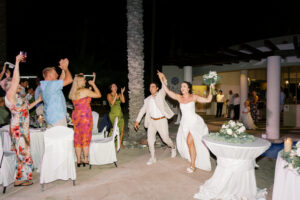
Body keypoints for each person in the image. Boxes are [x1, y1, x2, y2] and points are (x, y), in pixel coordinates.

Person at [157, 70, 213, 173]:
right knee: (190, 144)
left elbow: (208, 99)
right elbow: (168, 91)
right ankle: (194, 161)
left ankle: (192, 165)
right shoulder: (179, 97)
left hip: (194, 123)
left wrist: (211, 88)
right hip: (185, 124)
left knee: (189, 141)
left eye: (184, 86)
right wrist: (161, 79)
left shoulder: (194, 97)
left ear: (188, 88)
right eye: (181, 86)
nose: (181, 88)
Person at [4, 54, 42, 186]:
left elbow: (26, 109)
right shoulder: (10, 96)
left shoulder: (17, 97)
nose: (19, 84)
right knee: (23, 152)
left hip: (22, 127)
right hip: (18, 128)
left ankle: (21, 178)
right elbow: (15, 80)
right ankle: (20, 179)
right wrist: (17, 62)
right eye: (16, 84)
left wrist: (37, 100)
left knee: (23, 152)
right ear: (11, 87)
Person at [134, 81, 176, 165]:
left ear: (157, 88)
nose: (151, 88)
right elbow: (142, 111)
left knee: (165, 139)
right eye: (150, 87)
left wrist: (162, 78)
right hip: (152, 121)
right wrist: (137, 121)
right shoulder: (147, 100)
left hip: (162, 120)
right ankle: (153, 158)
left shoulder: (160, 95)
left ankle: (173, 147)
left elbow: (164, 87)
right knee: (150, 141)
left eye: (153, 86)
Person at [69, 73, 101, 167]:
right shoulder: (84, 91)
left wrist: (92, 81)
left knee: (78, 137)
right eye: (84, 80)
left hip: (76, 116)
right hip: (85, 116)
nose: (85, 81)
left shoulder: (73, 92)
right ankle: (86, 159)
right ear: (79, 81)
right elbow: (98, 95)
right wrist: (94, 84)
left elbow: (87, 94)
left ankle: (79, 160)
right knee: (85, 137)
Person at [40, 58, 73, 127]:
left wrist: (63, 69)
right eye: (55, 74)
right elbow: (69, 80)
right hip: (58, 119)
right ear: (50, 75)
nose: (57, 75)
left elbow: (61, 80)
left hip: (50, 118)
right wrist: (66, 68)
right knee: (62, 137)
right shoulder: (51, 85)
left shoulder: (45, 85)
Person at [107, 83, 125, 148]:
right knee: (114, 129)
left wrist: (122, 93)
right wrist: (115, 95)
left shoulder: (119, 94)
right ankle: (112, 143)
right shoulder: (109, 95)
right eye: (113, 86)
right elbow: (112, 103)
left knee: (122, 129)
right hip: (113, 115)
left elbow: (123, 101)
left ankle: (119, 143)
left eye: (116, 86)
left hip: (120, 114)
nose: (115, 87)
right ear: (111, 88)